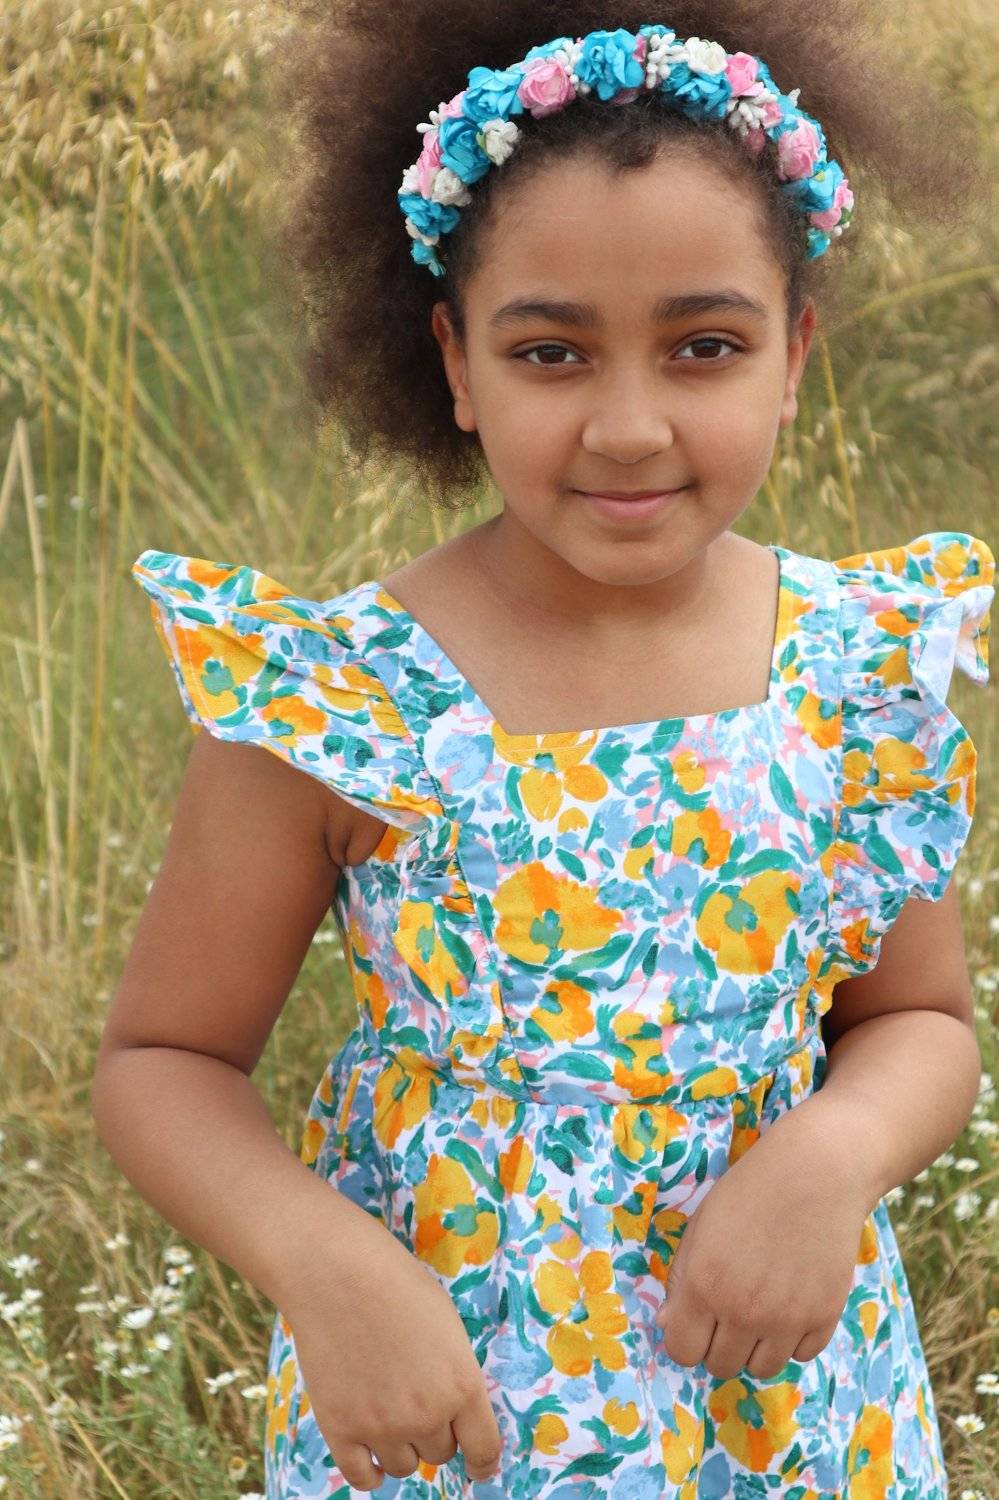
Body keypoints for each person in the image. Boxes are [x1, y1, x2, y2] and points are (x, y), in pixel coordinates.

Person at [92, 5, 995, 1497]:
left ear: (793, 356)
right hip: (450, 1409)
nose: (629, 426)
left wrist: (836, 1155)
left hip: (792, 1404)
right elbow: (164, 1062)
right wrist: (324, 1266)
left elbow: (922, 1023)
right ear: (457, 363)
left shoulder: (853, 669)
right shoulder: (342, 700)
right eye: (552, 351)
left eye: (705, 347)